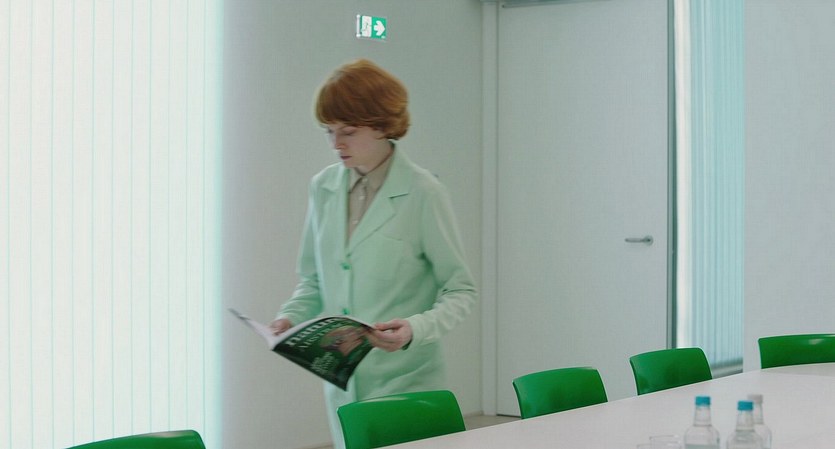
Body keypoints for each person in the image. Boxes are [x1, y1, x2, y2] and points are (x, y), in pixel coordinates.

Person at [270, 58, 477, 448]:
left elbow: (461, 290)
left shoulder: (424, 193)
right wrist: (289, 318)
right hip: (343, 385)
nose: (336, 144)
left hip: (407, 383)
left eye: (347, 131)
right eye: (329, 131)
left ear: (382, 125)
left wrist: (415, 329)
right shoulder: (323, 188)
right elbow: (313, 279)